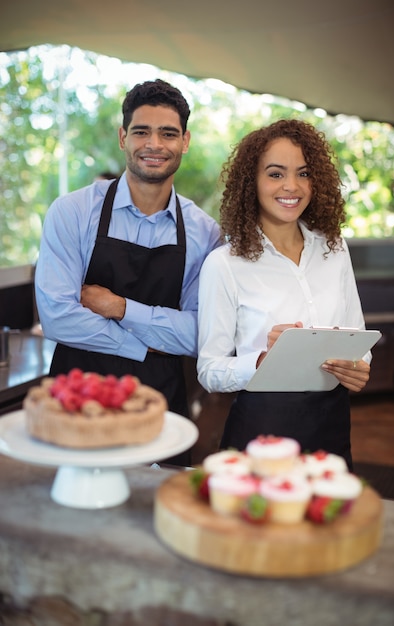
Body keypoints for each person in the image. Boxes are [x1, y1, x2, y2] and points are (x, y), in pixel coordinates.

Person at [35, 79, 221, 465]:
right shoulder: (72, 212)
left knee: (152, 513)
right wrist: (145, 345)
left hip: (161, 404)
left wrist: (119, 308)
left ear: (185, 141)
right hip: (78, 397)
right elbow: (58, 319)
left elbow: (200, 334)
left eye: (168, 133)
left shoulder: (205, 233)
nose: (154, 144)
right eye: (142, 132)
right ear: (123, 137)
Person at [197, 119, 372, 471]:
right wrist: (262, 361)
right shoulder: (224, 264)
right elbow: (209, 370)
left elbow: (360, 339)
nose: (292, 186)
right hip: (262, 428)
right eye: (275, 174)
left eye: (304, 174)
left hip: (332, 424)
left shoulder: (334, 251)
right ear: (252, 182)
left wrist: (359, 367)